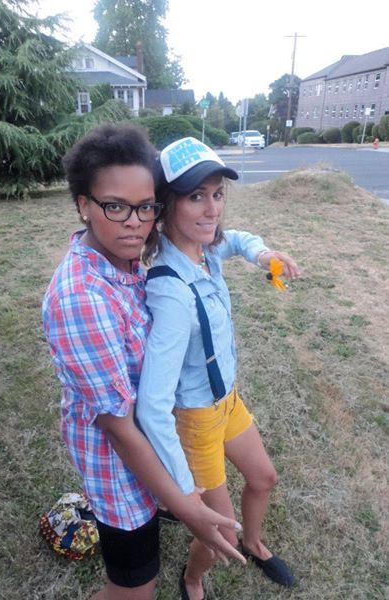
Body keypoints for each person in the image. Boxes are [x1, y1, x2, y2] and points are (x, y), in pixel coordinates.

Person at [42, 125, 245, 600]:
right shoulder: (81, 299)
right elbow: (120, 430)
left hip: (155, 445)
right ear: (83, 204)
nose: (136, 223)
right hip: (120, 469)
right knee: (135, 587)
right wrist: (187, 506)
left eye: (146, 206)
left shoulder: (123, 258)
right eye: (116, 206)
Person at [137, 137, 302, 599]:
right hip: (197, 420)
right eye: (196, 197)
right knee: (218, 533)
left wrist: (263, 255)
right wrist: (182, 490)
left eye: (217, 194)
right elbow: (152, 406)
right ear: (165, 206)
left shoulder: (205, 248)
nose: (212, 210)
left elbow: (240, 239)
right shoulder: (171, 293)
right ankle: (192, 578)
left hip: (227, 400)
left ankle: (255, 544)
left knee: (264, 478)